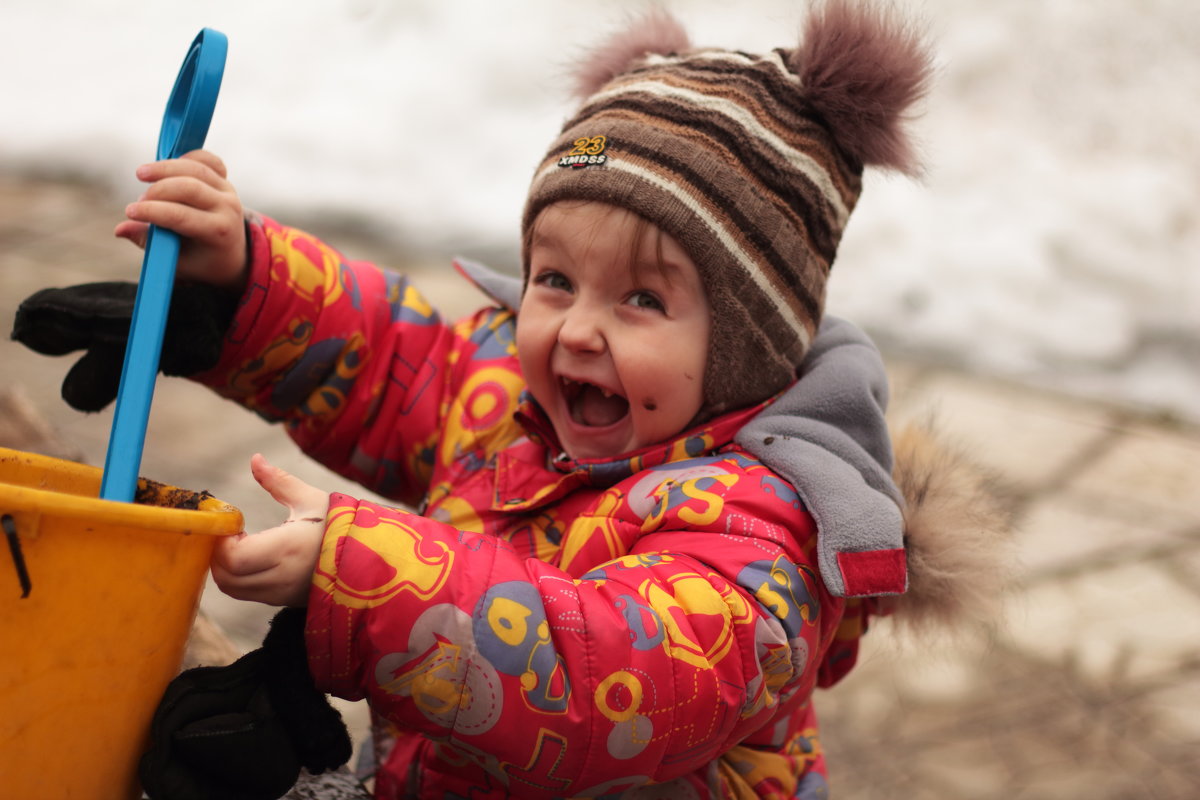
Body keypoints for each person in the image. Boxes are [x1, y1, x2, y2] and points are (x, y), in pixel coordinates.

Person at [20, 3, 997, 798]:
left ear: (747, 347)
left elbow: (598, 685)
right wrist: (243, 291)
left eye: (642, 298)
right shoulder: (521, 394)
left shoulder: (766, 540)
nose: (575, 328)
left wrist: (367, 574)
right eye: (553, 278)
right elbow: (397, 368)